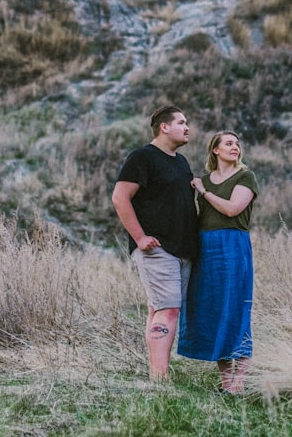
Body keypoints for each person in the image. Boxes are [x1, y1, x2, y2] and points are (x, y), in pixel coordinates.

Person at [111, 105, 199, 381]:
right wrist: (139, 237)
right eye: (182, 122)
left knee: (160, 308)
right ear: (164, 126)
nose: (187, 128)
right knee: (168, 309)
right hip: (157, 249)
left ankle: (156, 374)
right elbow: (120, 197)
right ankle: (160, 379)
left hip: (182, 249)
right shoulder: (143, 158)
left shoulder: (181, 162)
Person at [178, 130, 259, 394]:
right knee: (213, 309)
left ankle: (239, 382)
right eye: (228, 143)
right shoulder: (205, 179)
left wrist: (203, 191)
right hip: (206, 247)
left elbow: (232, 209)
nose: (234, 147)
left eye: (237, 143)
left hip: (233, 245)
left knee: (235, 308)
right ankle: (226, 383)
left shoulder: (245, 176)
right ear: (216, 150)